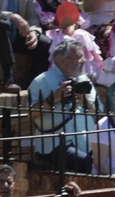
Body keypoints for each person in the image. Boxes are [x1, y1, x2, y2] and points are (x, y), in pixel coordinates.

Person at [29, 37, 101, 172]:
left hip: (85, 144)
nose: (84, 60)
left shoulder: (84, 80)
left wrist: (84, 101)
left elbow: (99, 113)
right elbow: (30, 115)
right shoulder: (42, 81)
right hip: (54, 147)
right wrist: (54, 98)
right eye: (79, 57)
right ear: (64, 61)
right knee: (88, 164)